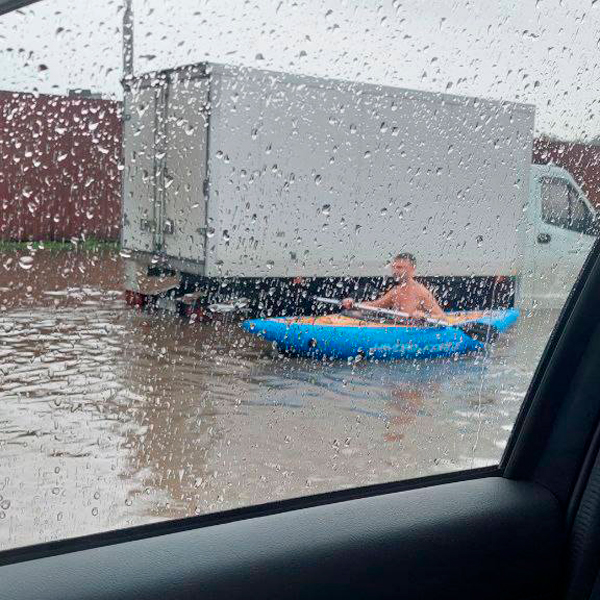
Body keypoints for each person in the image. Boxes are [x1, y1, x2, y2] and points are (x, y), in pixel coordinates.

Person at [341, 253, 446, 321]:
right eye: (394, 267)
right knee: (351, 313)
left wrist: (424, 316)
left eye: (400, 268)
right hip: (398, 328)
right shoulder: (396, 291)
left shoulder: (421, 292)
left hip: (413, 333)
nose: (395, 271)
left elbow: (443, 318)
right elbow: (375, 305)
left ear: (412, 269)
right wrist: (353, 304)